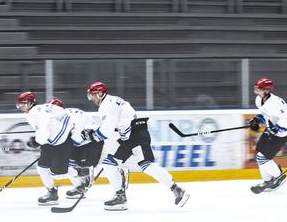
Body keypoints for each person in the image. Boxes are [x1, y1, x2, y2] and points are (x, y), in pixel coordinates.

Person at [81, 81, 189, 210]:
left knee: (147, 165)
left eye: (92, 95)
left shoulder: (107, 105)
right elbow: (112, 125)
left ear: (100, 93)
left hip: (136, 135)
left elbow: (107, 129)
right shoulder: (111, 102)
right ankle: (120, 197)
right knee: (109, 163)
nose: (91, 98)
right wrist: (94, 131)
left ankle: (177, 190)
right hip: (129, 137)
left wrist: (92, 136)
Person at [16, 91, 75, 206]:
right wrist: (39, 140)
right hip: (54, 141)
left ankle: (81, 172)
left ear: (31, 102)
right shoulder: (38, 110)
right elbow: (48, 125)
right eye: (20, 104)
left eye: (24, 103)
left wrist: (39, 141)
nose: (22, 106)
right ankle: (52, 193)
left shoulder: (34, 113)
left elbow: (44, 127)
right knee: (42, 168)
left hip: (60, 142)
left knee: (57, 173)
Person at [48, 97, 112, 200]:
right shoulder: (63, 116)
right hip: (83, 142)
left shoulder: (68, 117)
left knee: (86, 167)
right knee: (72, 164)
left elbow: (77, 137)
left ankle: (118, 171)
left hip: (92, 142)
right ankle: (79, 188)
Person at [248, 77, 287, 194]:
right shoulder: (259, 99)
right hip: (271, 129)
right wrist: (256, 120)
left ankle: (280, 177)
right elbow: (263, 112)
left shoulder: (276, 103)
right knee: (259, 153)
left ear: (266, 90)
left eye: (259, 89)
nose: (257, 91)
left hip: (282, 133)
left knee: (262, 158)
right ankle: (267, 180)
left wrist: (277, 129)